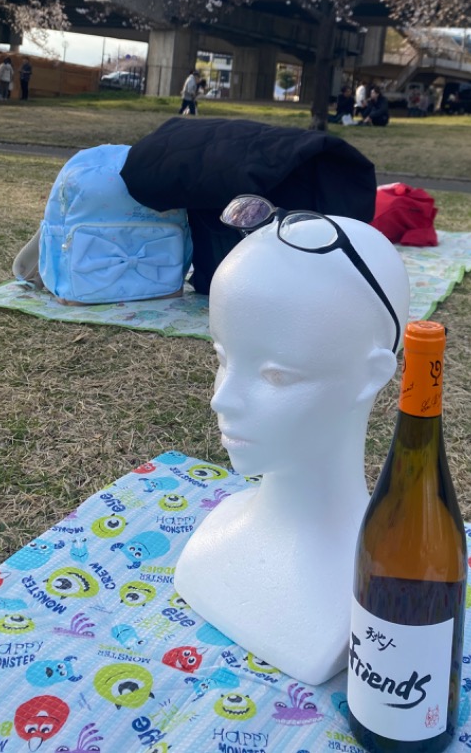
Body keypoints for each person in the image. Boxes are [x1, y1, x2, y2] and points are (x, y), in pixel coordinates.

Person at [174, 204, 410, 685]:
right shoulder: (214, 538)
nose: (221, 398)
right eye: (221, 356)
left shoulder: (368, 591)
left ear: (370, 378)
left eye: (276, 375)